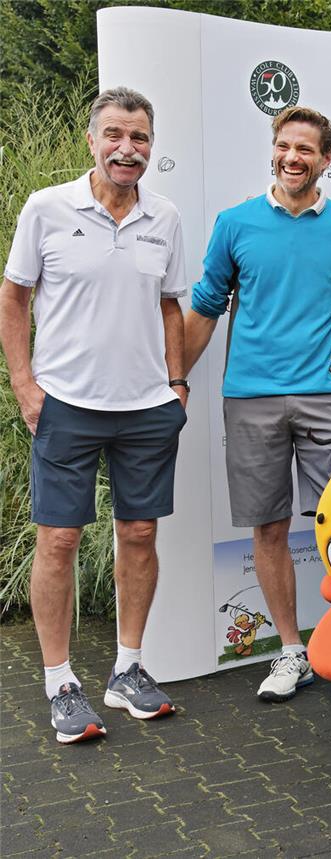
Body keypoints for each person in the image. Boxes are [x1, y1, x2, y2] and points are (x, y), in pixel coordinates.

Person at [0, 87, 187, 742]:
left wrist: (177, 383)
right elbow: (14, 296)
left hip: (146, 408)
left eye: (138, 138)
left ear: (150, 147)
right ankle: (60, 680)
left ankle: (127, 669)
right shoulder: (47, 208)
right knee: (59, 539)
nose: (126, 149)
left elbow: (171, 305)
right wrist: (24, 383)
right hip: (66, 405)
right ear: (91, 140)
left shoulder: (164, 216)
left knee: (139, 535)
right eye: (114, 135)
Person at [184, 106, 331, 707]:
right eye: (285, 146)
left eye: (306, 150)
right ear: (273, 149)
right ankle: (291, 651)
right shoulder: (235, 223)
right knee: (268, 527)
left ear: (326, 159)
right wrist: (174, 379)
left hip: (326, 397)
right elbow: (206, 303)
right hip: (251, 396)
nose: (293, 158)